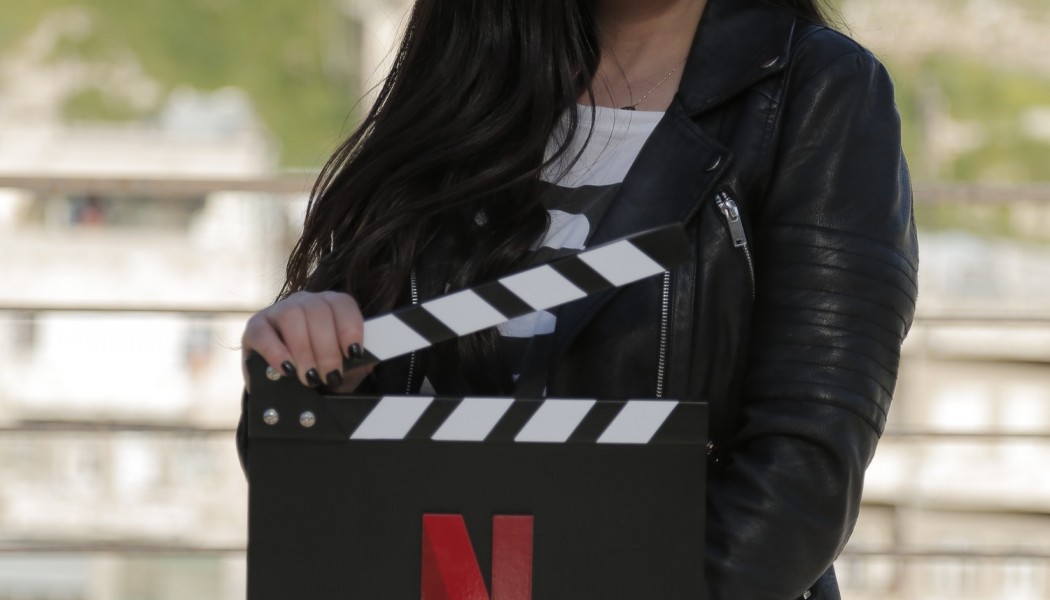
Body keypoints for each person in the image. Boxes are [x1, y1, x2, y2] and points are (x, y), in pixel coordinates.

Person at [238, 0, 919, 597]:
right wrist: (312, 364)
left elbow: (802, 475)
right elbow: (300, 462)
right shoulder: (462, 81)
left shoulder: (820, 94)